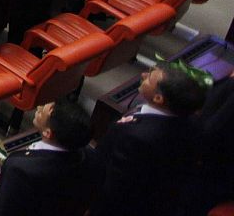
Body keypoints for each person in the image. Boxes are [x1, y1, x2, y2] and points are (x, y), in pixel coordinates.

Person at [89, 63, 208, 216]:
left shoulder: (136, 137)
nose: (143, 75)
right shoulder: (192, 123)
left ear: (158, 98)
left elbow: (114, 185)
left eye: (149, 79)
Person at [0, 100, 95, 216]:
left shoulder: (19, 169)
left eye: (43, 110)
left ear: (48, 133)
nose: (39, 107)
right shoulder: (91, 158)